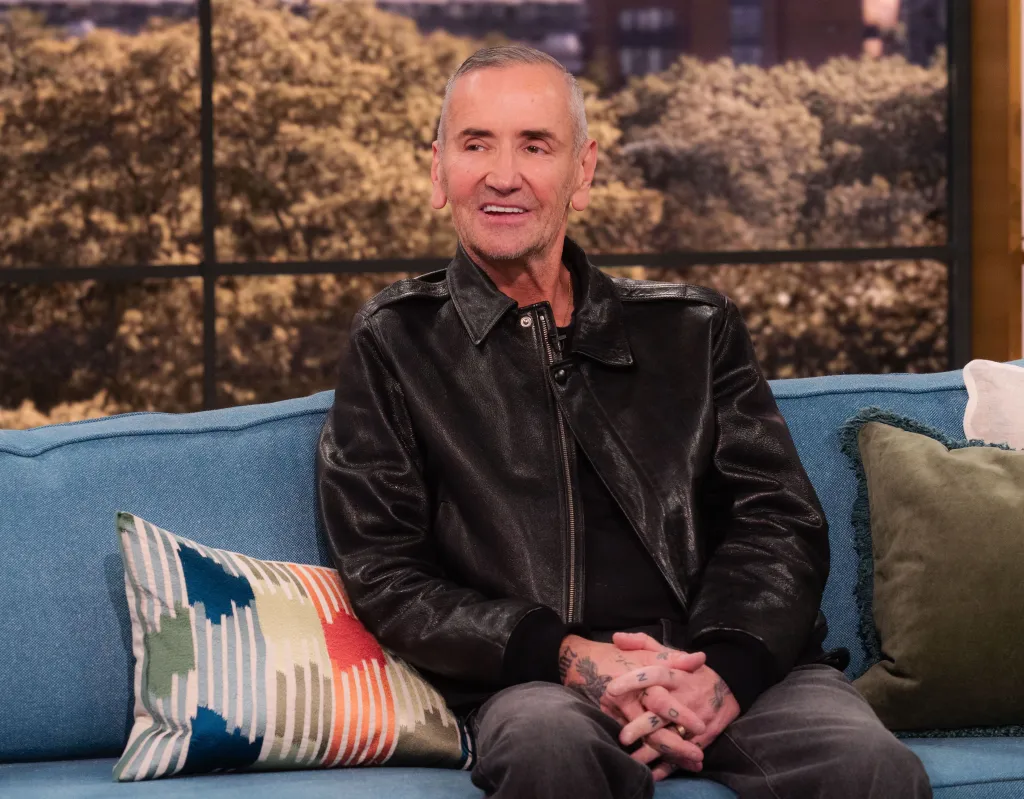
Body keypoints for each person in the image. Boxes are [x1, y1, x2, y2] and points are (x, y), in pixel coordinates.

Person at [316, 44, 932, 799]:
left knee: (871, 768)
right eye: (476, 144)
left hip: (728, 670)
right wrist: (569, 654)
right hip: (545, 684)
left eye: (535, 145)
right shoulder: (394, 340)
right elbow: (386, 572)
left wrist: (722, 671)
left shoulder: (694, 328)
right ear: (438, 170)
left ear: (584, 171)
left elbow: (778, 521)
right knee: (546, 750)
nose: (502, 174)